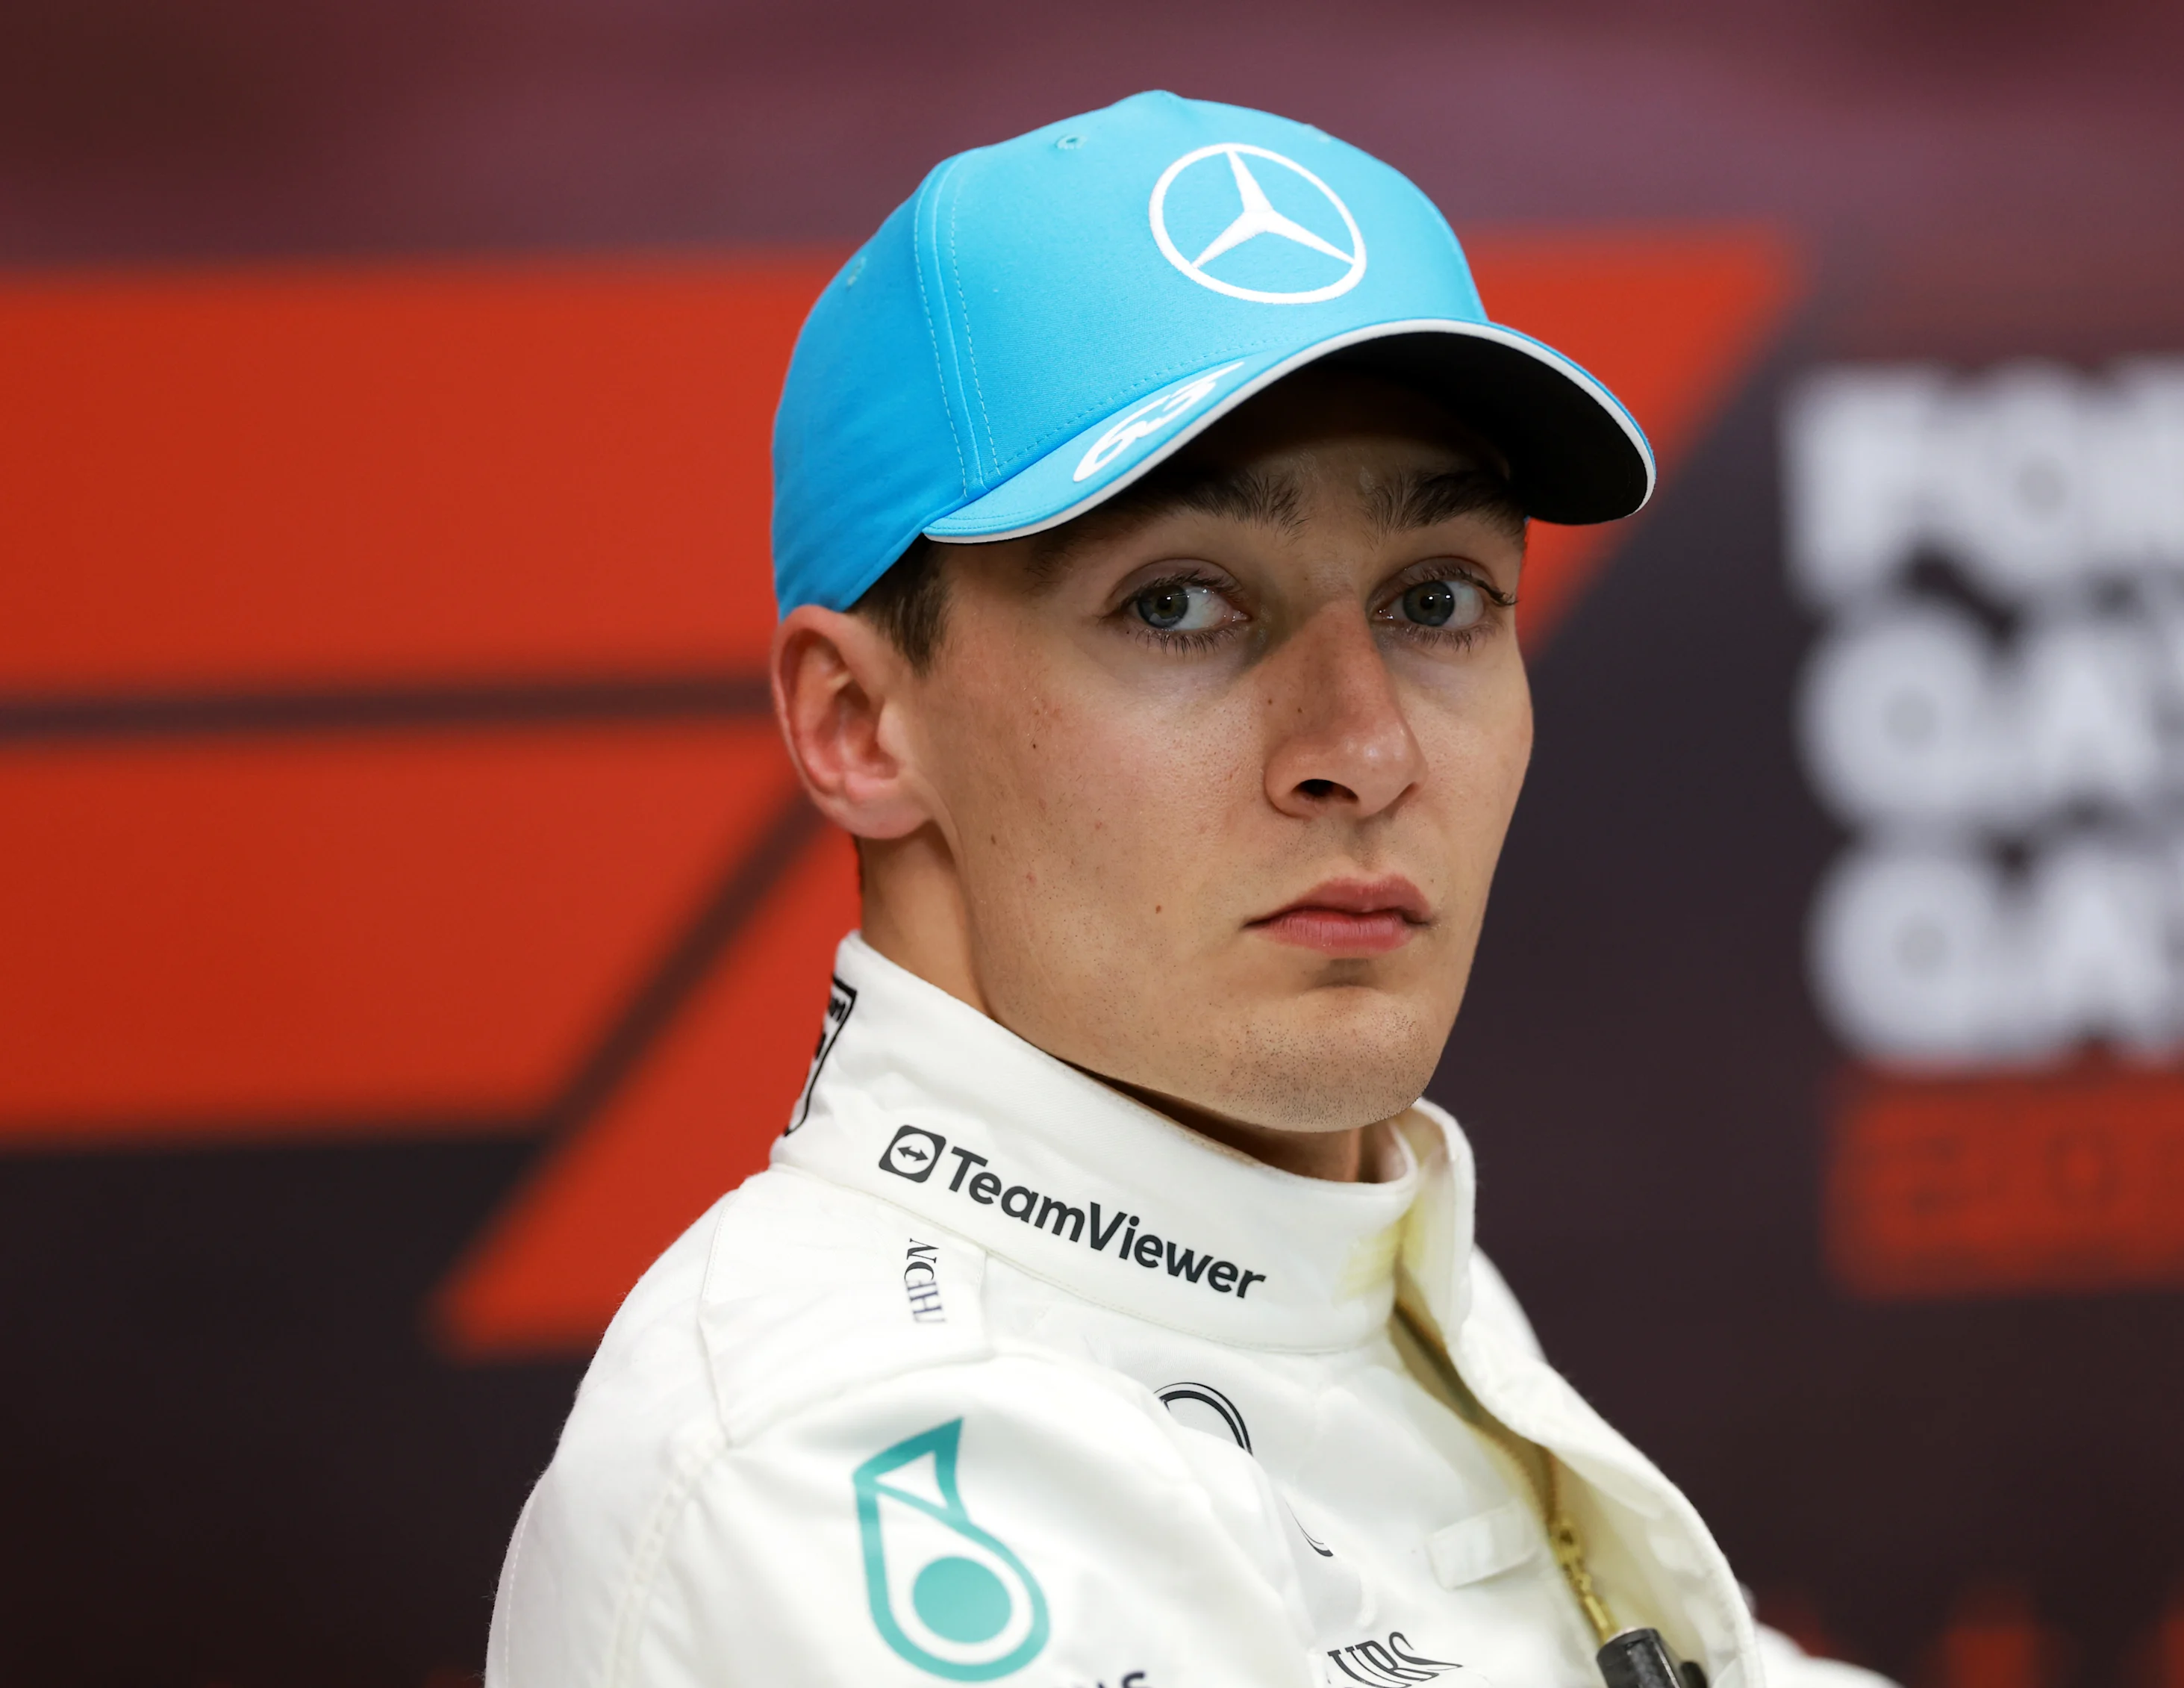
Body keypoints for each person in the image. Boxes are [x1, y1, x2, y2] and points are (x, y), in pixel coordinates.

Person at [487, 91, 1888, 1688]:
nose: (1361, 747)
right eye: (1181, 605)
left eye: (1436, 599)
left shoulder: (1369, 1273)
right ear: (859, 726)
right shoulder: (824, 1468)